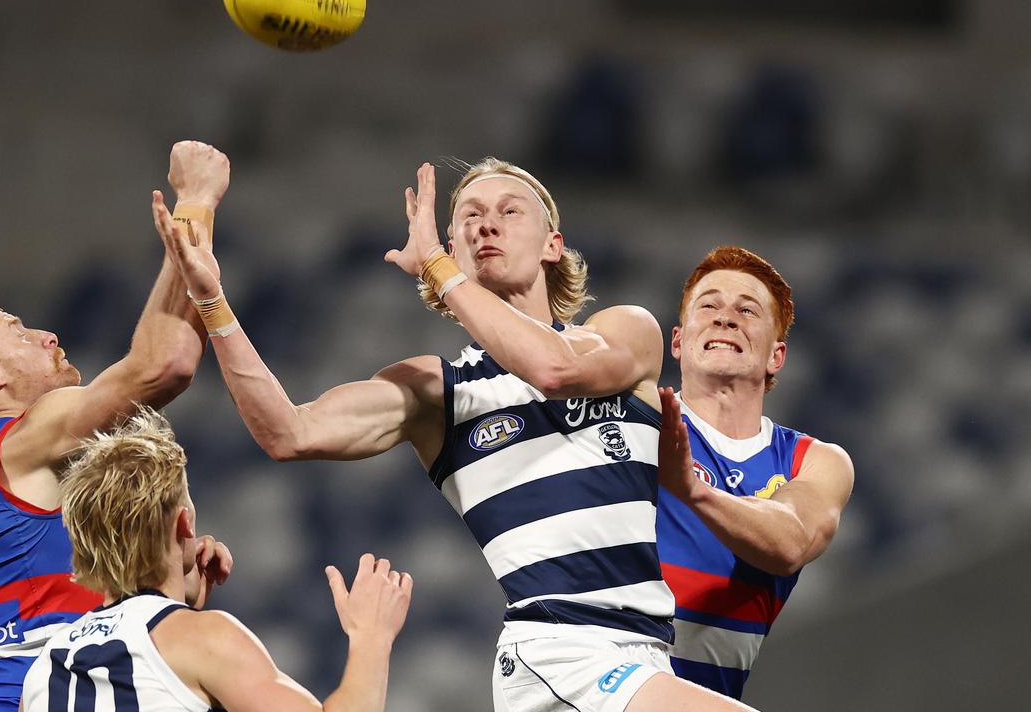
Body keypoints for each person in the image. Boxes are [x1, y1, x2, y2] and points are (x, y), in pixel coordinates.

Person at [165, 158, 754, 710]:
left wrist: (440, 271)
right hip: (562, 652)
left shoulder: (624, 333)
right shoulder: (438, 393)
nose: (486, 225)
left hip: (645, 653)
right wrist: (212, 301)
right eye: (469, 217)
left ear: (554, 245)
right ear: (453, 252)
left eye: (509, 211)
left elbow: (555, 369)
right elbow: (287, 432)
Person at [0, 141, 231, 711]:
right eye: (18, 331)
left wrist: (172, 587)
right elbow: (165, 365)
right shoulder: (26, 436)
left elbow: (48, 603)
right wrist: (195, 202)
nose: (45, 335)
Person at [21, 406, 413, 712]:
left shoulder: (44, 668)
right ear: (184, 523)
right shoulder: (204, 639)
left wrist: (179, 597)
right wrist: (371, 637)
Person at [655, 246, 855, 700]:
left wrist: (692, 491)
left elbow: (791, 543)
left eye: (747, 310)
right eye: (708, 305)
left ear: (776, 356)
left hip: (706, 698)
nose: (726, 319)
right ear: (679, 341)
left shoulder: (813, 461)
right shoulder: (638, 419)